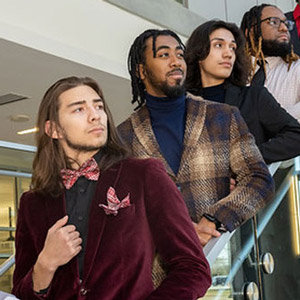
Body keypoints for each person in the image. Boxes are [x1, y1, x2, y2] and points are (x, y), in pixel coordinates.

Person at [12, 76, 211, 300]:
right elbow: (20, 293)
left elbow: (193, 268)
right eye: (78, 109)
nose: (95, 115)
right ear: (53, 129)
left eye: (98, 106)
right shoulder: (33, 202)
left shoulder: (144, 175)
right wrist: (46, 264)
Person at [117, 29, 274, 247]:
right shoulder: (122, 137)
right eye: (164, 55)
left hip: (216, 257)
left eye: (179, 55)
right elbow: (123, 208)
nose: (176, 62)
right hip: (154, 271)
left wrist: (214, 219)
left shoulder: (223, 117)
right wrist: (173, 229)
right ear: (141, 71)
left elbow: (259, 179)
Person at [185, 19, 300, 165]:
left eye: (232, 47)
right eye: (219, 45)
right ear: (199, 52)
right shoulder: (182, 103)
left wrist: (248, 158)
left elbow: (296, 135)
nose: (228, 54)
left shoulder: (254, 97)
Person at [241, 4, 300, 122]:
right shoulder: (235, 71)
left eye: (286, 24)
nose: (284, 28)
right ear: (252, 31)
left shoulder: (297, 68)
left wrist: (267, 122)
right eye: (274, 22)